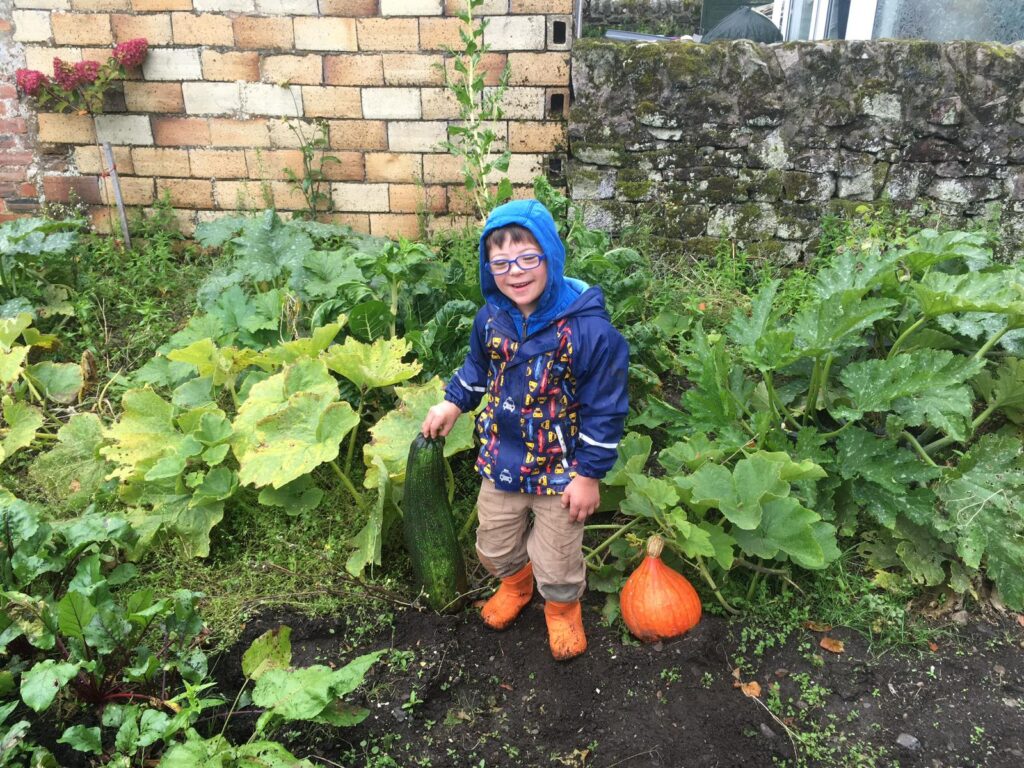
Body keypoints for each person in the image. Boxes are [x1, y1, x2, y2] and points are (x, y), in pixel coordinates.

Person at [421, 199, 629, 661]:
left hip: (563, 472)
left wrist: (590, 475)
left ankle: (560, 607)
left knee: (557, 561)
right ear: (488, 267)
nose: (515, 272)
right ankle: (516, 586)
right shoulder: (490, 319)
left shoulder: (588, 332)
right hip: (503, 460)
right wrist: (453, 402)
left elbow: (605, 409)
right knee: (493, 546)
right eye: (501, 262)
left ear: (551, 257)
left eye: (528, 258)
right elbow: (478, 368)